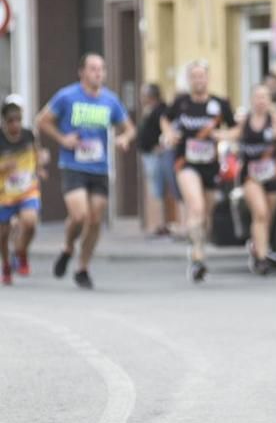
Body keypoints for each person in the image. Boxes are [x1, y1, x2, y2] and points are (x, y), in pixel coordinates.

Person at [36, 53, 135, 290]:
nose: (98, 73)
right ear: (82, 72)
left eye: (101, 69)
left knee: (95, 219)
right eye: (93, 69)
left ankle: (83, 267)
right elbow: (42, 120)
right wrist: (63, 138)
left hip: (99, 167)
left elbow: (129, 128)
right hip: (73, 165)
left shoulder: (110, 101)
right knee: (79, 215)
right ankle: (68, 247)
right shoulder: (67, 96)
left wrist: (124, 138)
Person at [160, 61, 236, 283]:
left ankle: (197, 246)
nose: (198, 80)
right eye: (194, 76)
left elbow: (236, 127)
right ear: (189, 79)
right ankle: (197, 259)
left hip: (211, 164)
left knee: (206, 217)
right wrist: (169, 134)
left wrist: (225, 136)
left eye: (202, 76)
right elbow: (164, 118)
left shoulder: (219, 104)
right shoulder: (181, 103)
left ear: (208, 79)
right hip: (186, 162)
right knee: (196, 207)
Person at [233, 84, 276, 274]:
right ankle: (262, 260)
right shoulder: (245, 121)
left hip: (273, 175)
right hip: (250, 176)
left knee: (268, 217)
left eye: (265, 97)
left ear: (269, 101)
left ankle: (257, 247)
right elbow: (231, 135)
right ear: (252, 100)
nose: (261, 101)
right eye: (258, 97)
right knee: (260, 213)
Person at [0, 95, 48, 285]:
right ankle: (6, 265)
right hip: (4, 194)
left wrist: (40, 168)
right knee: (3, 234)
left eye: (18, 120)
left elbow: (37, 153)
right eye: (11, 121)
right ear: (4, 121)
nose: (16, 125)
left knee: (30, 222)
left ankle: (21, 252)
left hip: (27, 189)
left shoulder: (29, 135)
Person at [137, 83, 172, 236]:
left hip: (156, 154)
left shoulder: (161, 110)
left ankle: (158, 223)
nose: (141, 98)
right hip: (148, 153)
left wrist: (160, 145)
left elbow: (166, 130)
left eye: (143, 95)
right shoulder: (148, 110)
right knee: (154, 188)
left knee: (156, 189)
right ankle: (157, 223)